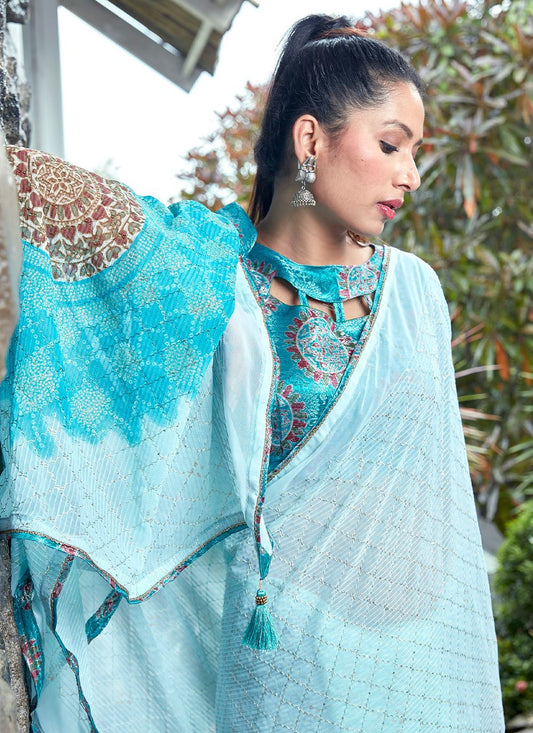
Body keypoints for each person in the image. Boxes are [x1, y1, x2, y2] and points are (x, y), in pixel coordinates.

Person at [0, 14, 504, 732]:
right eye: (392, 145)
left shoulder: (414, 297)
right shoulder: (206, 278)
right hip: (247, 670)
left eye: (415, 152)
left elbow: (433, 531)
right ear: (310, 140)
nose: (411, 175)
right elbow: (37, 194)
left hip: (388, 679)